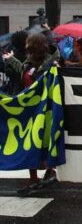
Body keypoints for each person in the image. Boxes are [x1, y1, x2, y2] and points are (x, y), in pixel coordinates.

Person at [2, 33, 59, 189]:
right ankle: (33, 177)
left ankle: (50, 170)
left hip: (46, 108)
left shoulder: (51, 63)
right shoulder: (29, 61)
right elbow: (23, 71)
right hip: (30, 109)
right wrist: (11, 60)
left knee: (45, 140)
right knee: (30, 141)